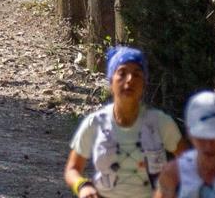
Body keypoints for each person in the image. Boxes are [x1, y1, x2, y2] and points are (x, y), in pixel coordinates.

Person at [65, 46, 186, 198]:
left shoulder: (161, 123)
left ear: (144, 84)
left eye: (137, 74)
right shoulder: (95, 123)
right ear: (110, 82)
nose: (130, 80)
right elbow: (72, 169)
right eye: (122, 73)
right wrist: (83, 186)